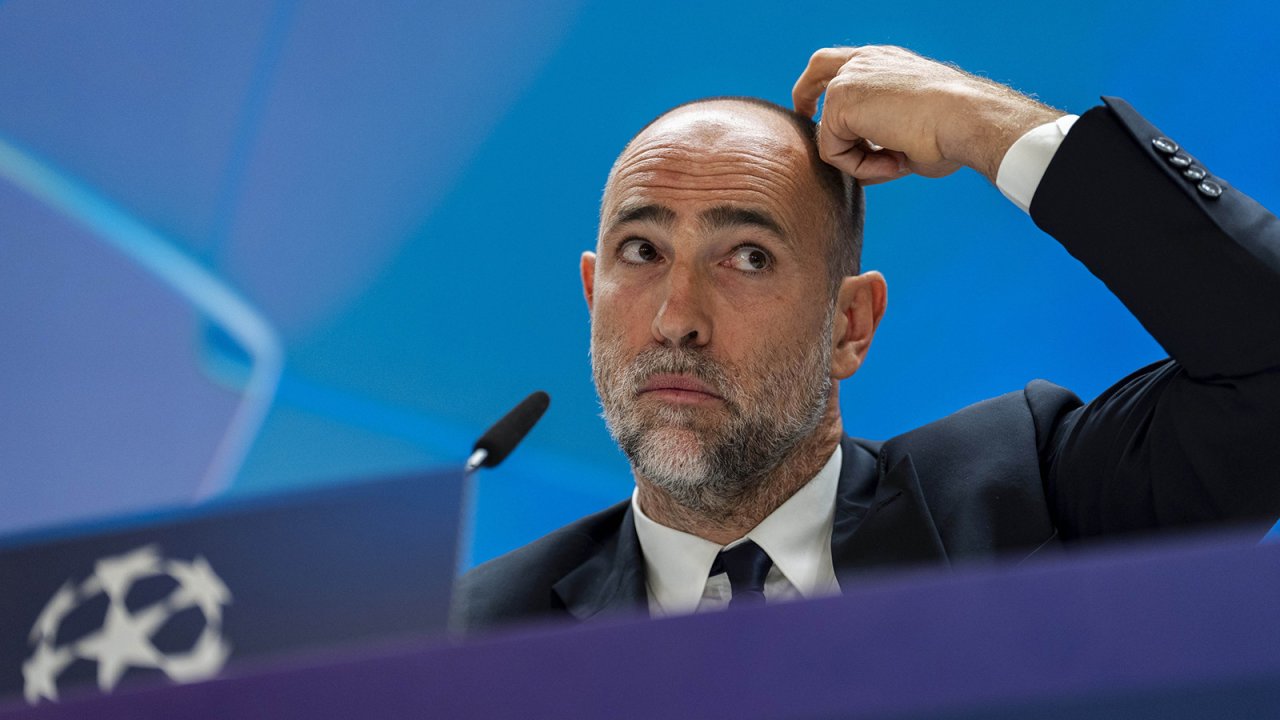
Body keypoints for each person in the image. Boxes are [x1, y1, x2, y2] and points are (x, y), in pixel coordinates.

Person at [450, 46, 1280, 632]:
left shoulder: (1020, 496)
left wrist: (979, 120)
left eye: (748, 257)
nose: (676, 319)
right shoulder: (468, 636)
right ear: (592, 295)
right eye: (642, 252)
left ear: (850, 324)